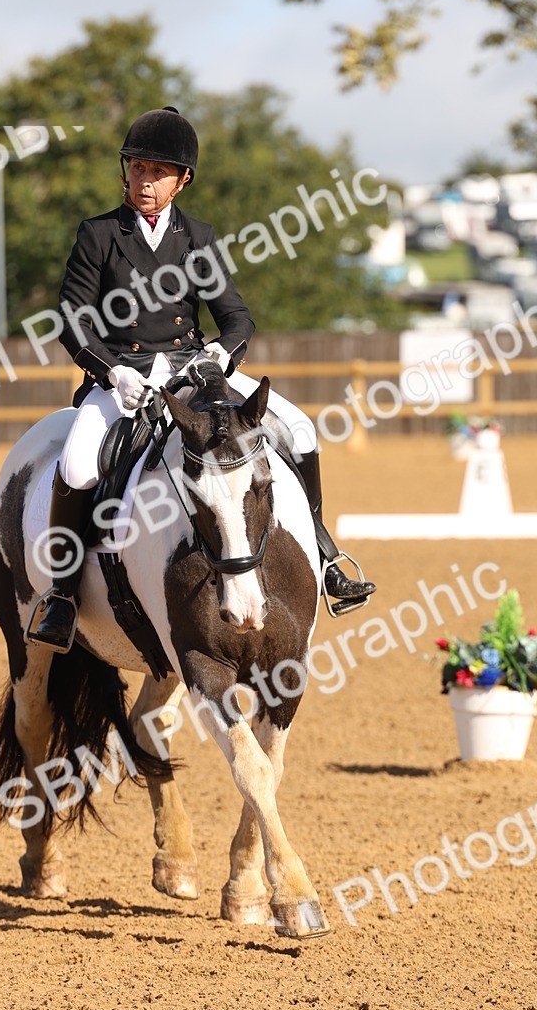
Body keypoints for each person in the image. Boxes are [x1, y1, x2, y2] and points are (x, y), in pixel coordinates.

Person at [28, 106, 376, 652]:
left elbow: (237, 318)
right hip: (125, 376)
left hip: (195, 371)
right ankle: (63, 596)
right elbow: (73, 319)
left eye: (158, 173)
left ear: (181, 180)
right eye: (138, 169)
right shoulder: (98, 235)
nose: (145, 182)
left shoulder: (198, 236)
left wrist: (219, 353)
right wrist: (110, 372)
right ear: (126, 172)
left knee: (302, 431)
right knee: (75, 464)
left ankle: (326, 554)